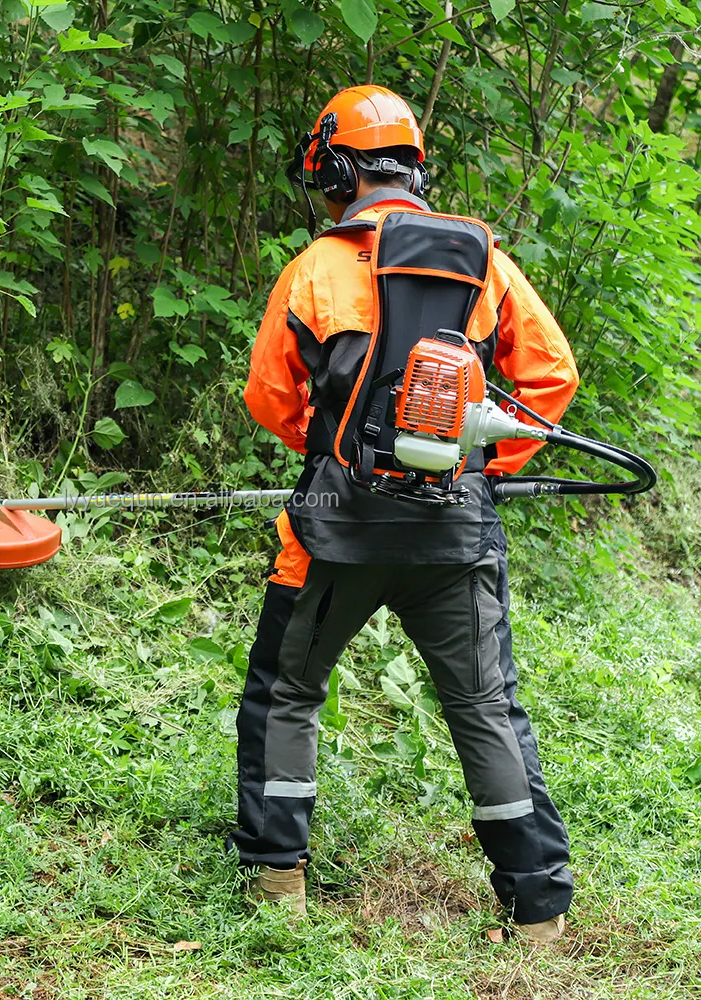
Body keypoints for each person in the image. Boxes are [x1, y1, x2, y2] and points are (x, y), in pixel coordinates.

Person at [231, 85, 579, 942]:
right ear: (414, 170)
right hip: (456, 532)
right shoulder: (483, 261)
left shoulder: (316, 267)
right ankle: (536, 916)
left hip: (333, 530)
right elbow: (550, 381)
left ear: (340, 170)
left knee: (285, 693)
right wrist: (476, 466)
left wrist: (336, 459)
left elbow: (269, 395)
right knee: (485, 707)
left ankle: (279, 884)